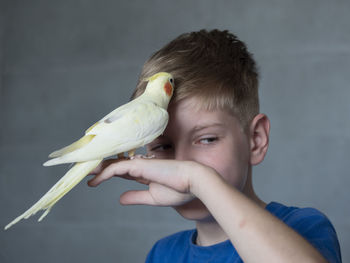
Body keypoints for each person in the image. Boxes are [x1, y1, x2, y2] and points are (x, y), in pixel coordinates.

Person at [87, 29, 342, 263]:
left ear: (255, 140)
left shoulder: (303, 227)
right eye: (164, 146)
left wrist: (199, 179)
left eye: (207, 139)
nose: (182, 164)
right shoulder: (162, 254)